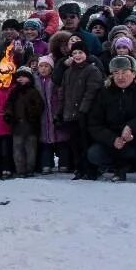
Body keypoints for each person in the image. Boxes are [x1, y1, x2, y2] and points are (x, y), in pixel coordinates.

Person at [86, 56, 136, 181]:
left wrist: (132, 127)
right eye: (116, 73)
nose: (120, 77)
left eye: (124, 72)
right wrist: (112, 139)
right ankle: (116, 168)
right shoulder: (104, 92)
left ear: (133, 73)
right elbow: (95, 124)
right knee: (94, 154)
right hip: (113, 140)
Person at [58, 42, 104, 179]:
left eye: (80, 52)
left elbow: (92, 92)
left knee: (86, 143)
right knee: (75, 144)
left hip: (86, 114)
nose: (77, 55)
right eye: (74, 53)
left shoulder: (92, 70)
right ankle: (79, 168)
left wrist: (83, 110)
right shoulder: (68, 72)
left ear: (86, 54)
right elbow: (63, 93)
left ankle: (91, 170)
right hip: (70, 114)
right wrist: (60, 112)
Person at [5, 67, 45, 177]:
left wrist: (31, 112)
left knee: (30, 149)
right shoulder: (14, 92)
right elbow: (9, 104)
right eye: (19, 77)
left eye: (24, 76)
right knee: (17, 149)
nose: (20, 79)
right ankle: (20, 170)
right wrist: (8, 114)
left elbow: (40, 106)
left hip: (31, 126)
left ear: (29, 78)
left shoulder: (33, 91)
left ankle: (30, 169)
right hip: (17, 126)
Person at [33, 56, 69, 173]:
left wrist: (59, 111)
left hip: (55, 113)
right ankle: (46, 163)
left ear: (51, 68)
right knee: (45, 142)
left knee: (62, 140)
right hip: (43, 115)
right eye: (41, 66)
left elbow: (61, 95)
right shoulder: (35, 80)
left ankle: (64, 163)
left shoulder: (54, 80)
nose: (43, 69)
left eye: (46, 66)